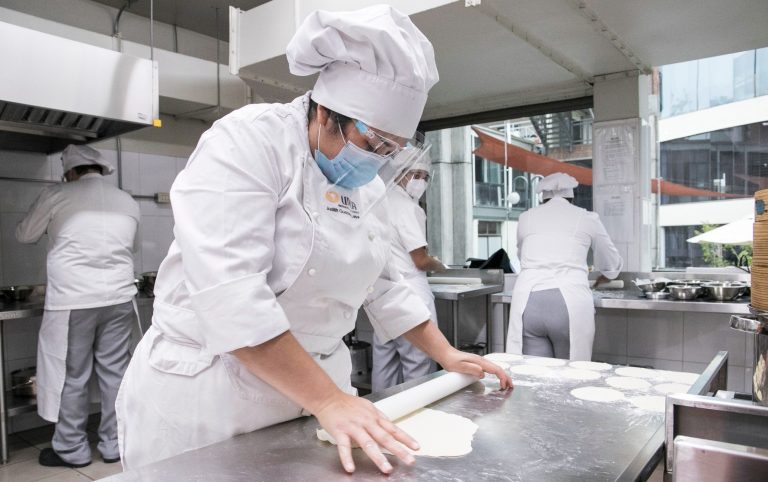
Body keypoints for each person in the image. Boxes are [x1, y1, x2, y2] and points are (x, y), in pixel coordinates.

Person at [116, 5, 511, 475]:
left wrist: (446, 354)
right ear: (325, 113)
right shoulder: (248, 142)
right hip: (213, 390)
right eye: (374, 143)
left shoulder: (366, 186)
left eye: (392, 149)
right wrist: (328, 399)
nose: (379, 160)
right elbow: (230, 295)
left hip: (313, 393)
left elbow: (384, 285)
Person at [16, 144, 140, 468]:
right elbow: (134, 245)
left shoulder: (58, 194)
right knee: (116, 374)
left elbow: (25, 235)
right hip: (119, 297)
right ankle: (116, 445)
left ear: (71, 172)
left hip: (75, 300)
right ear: (100, 171)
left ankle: (72, 449)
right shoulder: (126, 200)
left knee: (72, 376)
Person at [506, 172, 622, 361]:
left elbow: (522, 254)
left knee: (536, 377)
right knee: (569, 378)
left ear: (542, 197)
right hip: (568, 303)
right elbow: (611, 261)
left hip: (528, 303)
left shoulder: (526, 217)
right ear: (571, 196)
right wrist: (608, 275)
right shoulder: (586, 217)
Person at [372, 157, 445, 392]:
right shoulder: (409, 208)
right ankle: (418, 419)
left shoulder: (377, 201)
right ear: (400, 172)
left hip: (382, 294)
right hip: (411, 295)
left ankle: (381, 415)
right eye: (415, 175)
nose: (420, 182)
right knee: (418, 362)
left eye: (425, 177)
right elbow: (420, 260)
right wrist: (439, 265)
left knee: (384, 363)